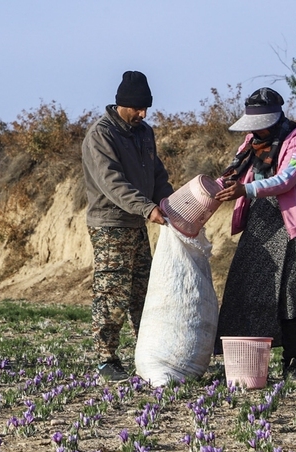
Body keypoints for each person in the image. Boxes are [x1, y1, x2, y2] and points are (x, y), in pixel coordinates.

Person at [214, 88, 296, 385]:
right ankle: (243, 362)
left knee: (293, 296)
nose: (255, 129)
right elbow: (233, 174)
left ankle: (293, 363)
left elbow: (287, 179)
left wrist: (246, 189)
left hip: (292, 226)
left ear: (276, 116)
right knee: (247, 290)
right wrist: (210, 189)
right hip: (260, 224)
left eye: (260, 123)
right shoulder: (251, 143)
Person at [81, 70, 174, 382]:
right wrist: (148, 209)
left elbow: (157, 174)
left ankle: (145, 353)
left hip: (136, 223)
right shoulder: (101, 135)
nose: (143, 114)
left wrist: (171, 204)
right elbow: (113, 183)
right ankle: (106, 358)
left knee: (142, 291)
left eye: (147, 107)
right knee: (112, 292)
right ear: (122, 104)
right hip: (110, 224)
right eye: (137, 108)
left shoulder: (144, 132)